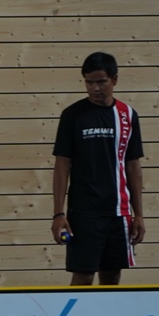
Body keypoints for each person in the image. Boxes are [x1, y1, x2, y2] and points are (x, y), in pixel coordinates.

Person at [52, 51, 145, 286]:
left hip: (118, 212)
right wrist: (58, 214)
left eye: (101, 82)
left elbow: (133, 166)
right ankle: (74, 313)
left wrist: (139, 214)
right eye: (89, 82)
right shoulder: (72, 115)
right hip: (84, 213)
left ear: (114, 79)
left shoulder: (127, 115)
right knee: (83, 276)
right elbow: (62, 165)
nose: (95, 88)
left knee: (112, 275)